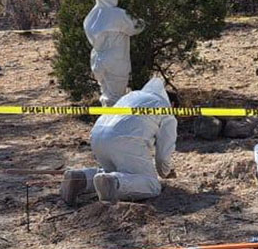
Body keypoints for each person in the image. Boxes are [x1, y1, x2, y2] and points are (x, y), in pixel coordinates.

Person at [59, 76, 177, 205]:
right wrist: (165, 172)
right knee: (152, 185)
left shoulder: (133, 96)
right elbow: (164, 150)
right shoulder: (165, 107)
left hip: (97, 136)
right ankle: (115, 183)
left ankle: (80, 178)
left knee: (111, 173)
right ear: (173, 105)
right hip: (124, 140)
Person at [82, 0, 144, 106]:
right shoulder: (118, 14)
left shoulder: (91, 17)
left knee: (106, 94)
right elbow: (136, 27)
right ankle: (113, 124)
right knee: (116, 99)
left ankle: (105, 122)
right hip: (116, 61)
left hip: (98, 60)